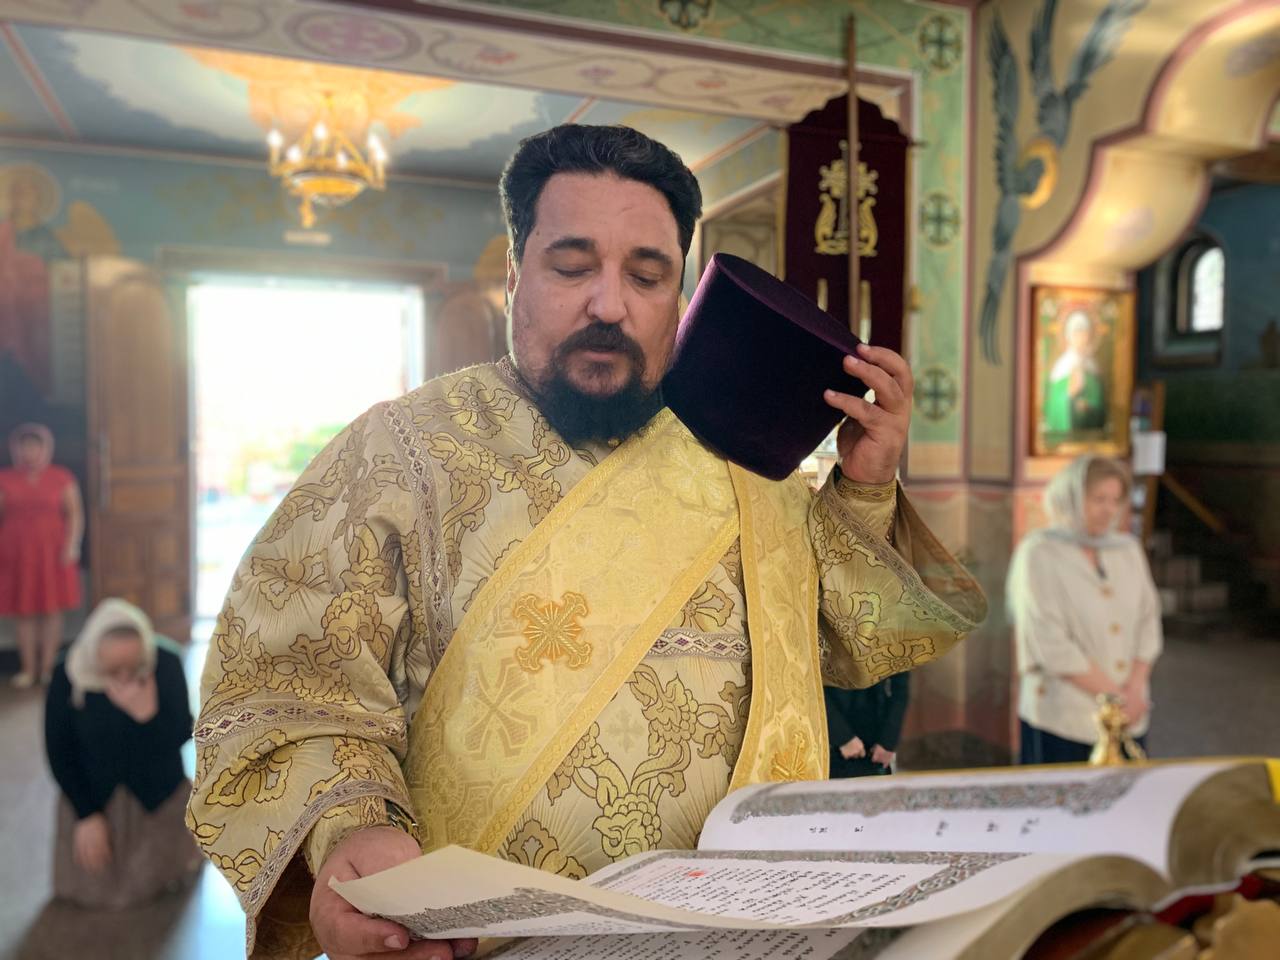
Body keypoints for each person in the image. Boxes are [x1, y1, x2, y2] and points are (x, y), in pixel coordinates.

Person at [188, 124, 986, 960]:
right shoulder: (400, 453)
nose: (610, 305)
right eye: (572, 267)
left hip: (741, 936)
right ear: (514, 277)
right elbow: (288, 688)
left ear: (681, 295)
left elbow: (844, 650)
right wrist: (352, 825)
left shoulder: (747, 462)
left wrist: (864, 488)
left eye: (647, 275)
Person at [44, 598, 201, 908]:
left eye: (133, 665)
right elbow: (59, 750)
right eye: (113, 668)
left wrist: (147, 716)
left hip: (156, 792)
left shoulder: (165, 662)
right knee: (93, 886)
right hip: (92, 792)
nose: (125, 676)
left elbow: (180, 734)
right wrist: (87, 815)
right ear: (94, 655)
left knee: (157, 882)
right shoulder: (68, 672)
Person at [1008, 455, 1162, 765]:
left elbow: (1149, 621)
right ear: (1070, 498)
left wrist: (1134, 690)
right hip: (1065, 717)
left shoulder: (1127, 549)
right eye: (1098, 499)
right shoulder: (1040, 552)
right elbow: (1049, 640)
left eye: (1115, 500)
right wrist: (1117, 698)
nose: (1109, 510)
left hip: (1130, 713)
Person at [0, 423, 83, 686]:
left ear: (46, 448)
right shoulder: (5, 478)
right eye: (25, 447)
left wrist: (72, 545)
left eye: (35, 447)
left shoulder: (62, 477)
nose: (30, 452)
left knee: (51, 609)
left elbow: (75, 514)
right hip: (16, 552)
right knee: (23, 611)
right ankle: (28, 669)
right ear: (16, 449)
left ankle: (48, 669)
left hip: (53, 551)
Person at [824, 673, 909, 778]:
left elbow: (900, 690)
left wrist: (887, 742)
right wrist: (842, 737)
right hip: (831, 744)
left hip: (876, 747)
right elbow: (810, 686)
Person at [1044, 309, 1106, 434]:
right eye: (1077, 334)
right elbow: (1052, 406)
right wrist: (1068, 396)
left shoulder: (1093, 367)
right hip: (1064, 437)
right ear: (1069, 336)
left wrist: (1089, 406)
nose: (1081, 338)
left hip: (1090, 435)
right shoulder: (1061, 367)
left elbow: (1100, 405)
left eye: (1084, 334)